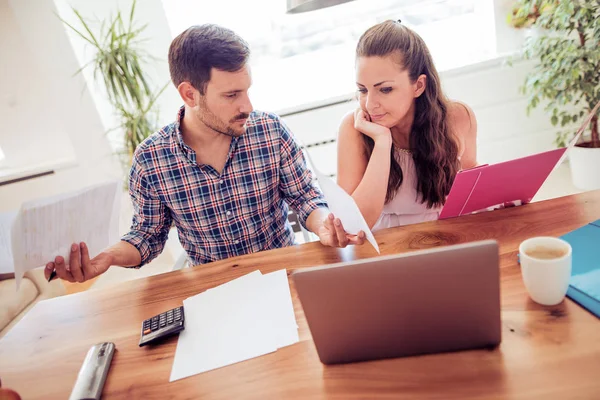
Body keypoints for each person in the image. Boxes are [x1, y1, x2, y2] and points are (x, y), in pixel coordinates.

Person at [45, 24, 364, 283]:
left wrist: (323, 224)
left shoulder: (270, 131)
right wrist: (107, 258)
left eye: (247, 90)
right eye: (232, 95)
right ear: (189, 94)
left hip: (284, 274)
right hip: (214, 291)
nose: (248, 106)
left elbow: (305, 198)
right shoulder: (151, 160)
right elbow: (147, 236)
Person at [337, 20, 478, 231]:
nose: (370, 104)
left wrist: (503, 199)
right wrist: (382, 142)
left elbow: (472, 183)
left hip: (447, 239)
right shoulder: (354, 128)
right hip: (387, 248)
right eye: (363, 90)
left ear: (418, 85)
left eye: (384, 89)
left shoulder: (458, 117)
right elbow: (354, 224)